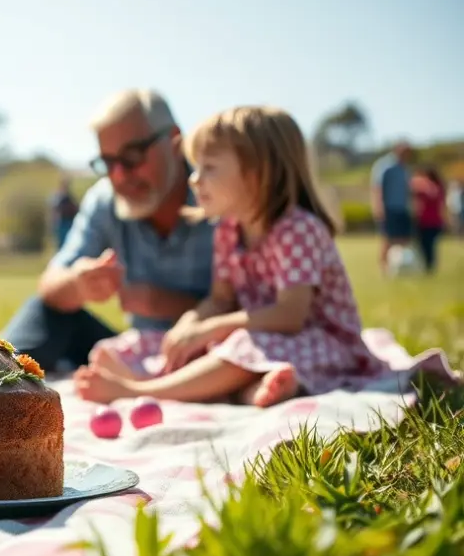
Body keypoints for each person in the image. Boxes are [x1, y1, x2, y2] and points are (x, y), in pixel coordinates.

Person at [76, 106, 459, 406]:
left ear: (258, 174)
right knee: (150, 341)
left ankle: (141, 391)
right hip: (266, 339)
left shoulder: (298, 231)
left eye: (208, 168)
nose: (193, 180)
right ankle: (258, 390)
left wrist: (211, 328)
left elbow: (290, 317)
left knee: (240, 345)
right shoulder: (228, 229)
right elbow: (222, 298)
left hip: (323, 343)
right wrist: (192, 323)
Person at [0, 89, 214, 372]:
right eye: (108, 163)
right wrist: (77, 283)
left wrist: (172, 304)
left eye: (132, 156)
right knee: (47, 308)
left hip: (219, 353)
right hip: (141, 353)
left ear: (174, 140)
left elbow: (276, 309)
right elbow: (51, 282)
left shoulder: (220, 191)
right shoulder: (105, 201)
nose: (119, 176)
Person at [370, 141, 414, 271]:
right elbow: (377, 188)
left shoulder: (404, 168)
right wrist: (378, 207)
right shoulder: (384, 165)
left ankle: (401, 267)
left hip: (402, 208)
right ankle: (384, 267)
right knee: (388, 239)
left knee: (403, 239)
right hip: (389, 208)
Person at [411, 166, 448, 273]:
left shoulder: (430, 187)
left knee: (427, 246)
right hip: (430, 221)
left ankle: (429, 267)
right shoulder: (439, 187)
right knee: (427, 246)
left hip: (428, 222)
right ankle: (428, 266)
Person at [49, 176, 79, 250]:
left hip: (69, 223)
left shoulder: (70, 197)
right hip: (62, 223)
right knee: (61, 244)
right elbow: (54, 211)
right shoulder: (58, 197)